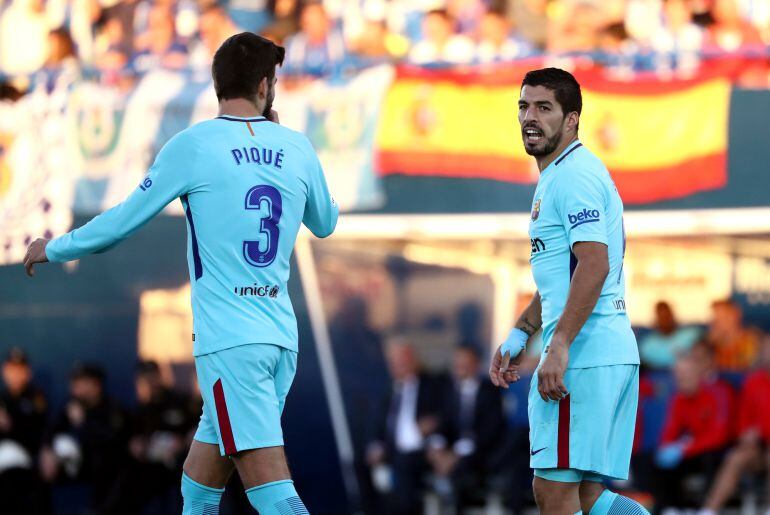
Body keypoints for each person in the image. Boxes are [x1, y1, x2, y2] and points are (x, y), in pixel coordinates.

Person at [24, 32, 338, 515]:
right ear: (264, 85)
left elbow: (123, 220)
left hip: (230, 343)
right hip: (279, 339)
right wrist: (280, 145)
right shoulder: (295, 146)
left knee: (272, 491)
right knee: (198, 486)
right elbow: (325, 222)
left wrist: (56, 248)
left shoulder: (193, 145)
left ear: (216, 85)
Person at [488, 68, 648, 515]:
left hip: (584, 355)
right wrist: (520, 335)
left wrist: (557, 345)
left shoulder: (572, 175)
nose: (529, 117)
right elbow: (564, 278)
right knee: (586, 498)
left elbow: (594, 265)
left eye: (544, 107)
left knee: (553, 493)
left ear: (572, 119)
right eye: (523, 106)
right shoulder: (562, 175)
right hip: (601, 351)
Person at [366, 338, 445, 515]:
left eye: (402, 359)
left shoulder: (431, 385)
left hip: (421, 451)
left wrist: (434, 431)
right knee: (359, 465)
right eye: (394, 361)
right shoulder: (388, 392)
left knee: (404, 465)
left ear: (413, 359)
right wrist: (375, 446)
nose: (398, 365)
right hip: (391, 451)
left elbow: (445, 417)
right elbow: (376, 425)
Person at [428, 345, 504, 512]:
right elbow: (442, 424)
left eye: (465, 362)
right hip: (450, 451)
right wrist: (437, 447)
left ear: (476, 364)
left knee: (459, 472)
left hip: (479, 453)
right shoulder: (448, 389)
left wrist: (455, 454)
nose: (460, 367)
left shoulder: (490, 391)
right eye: (457, 362)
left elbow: (490, 431)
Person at [651, 354, 732, 509]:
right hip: (693, 449)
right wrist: (667, 447)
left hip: (719, 450)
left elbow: (719, 435)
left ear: (698, 373)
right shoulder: (678, 398)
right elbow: (670, 431)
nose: (680, 379)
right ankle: (671, 508)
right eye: (677, 375)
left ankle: (707, 509)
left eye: (685, 374)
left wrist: (684, 448)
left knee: (708, 458)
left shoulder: (718, 392)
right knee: (655, 460)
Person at [701, 335, 770, 514]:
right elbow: (743, 421)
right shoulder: (753, 382)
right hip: (758, 448)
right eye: (765, 349)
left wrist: (761, 430)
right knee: (735, 458)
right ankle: (708, 511)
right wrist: (746, 435)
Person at [639, 301, 701, 370]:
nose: (665, 321)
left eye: (667, 316)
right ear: (656, 319)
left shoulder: (691, 335)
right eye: (661, 317)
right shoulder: (647, 345)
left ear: (672, 315)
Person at [708, 298, 761, 371]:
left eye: (723, 317)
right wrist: (709, 346)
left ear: (736, 315)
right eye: (716, 319)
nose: (718, 323)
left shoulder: (752, 341)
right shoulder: (710, 344)